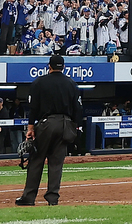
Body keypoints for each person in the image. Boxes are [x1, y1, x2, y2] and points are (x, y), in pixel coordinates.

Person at [16, 54, 84, 207]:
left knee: (36, 160)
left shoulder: (39, 82)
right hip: (65, 124)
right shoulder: (71, 83)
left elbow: (33, 108)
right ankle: (53, 199)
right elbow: (78, 109)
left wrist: (30, 128)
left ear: (49, 66)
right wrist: (75, 128)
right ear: (64, 67)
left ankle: (29, 197)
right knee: (56, 163)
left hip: (46, 124)